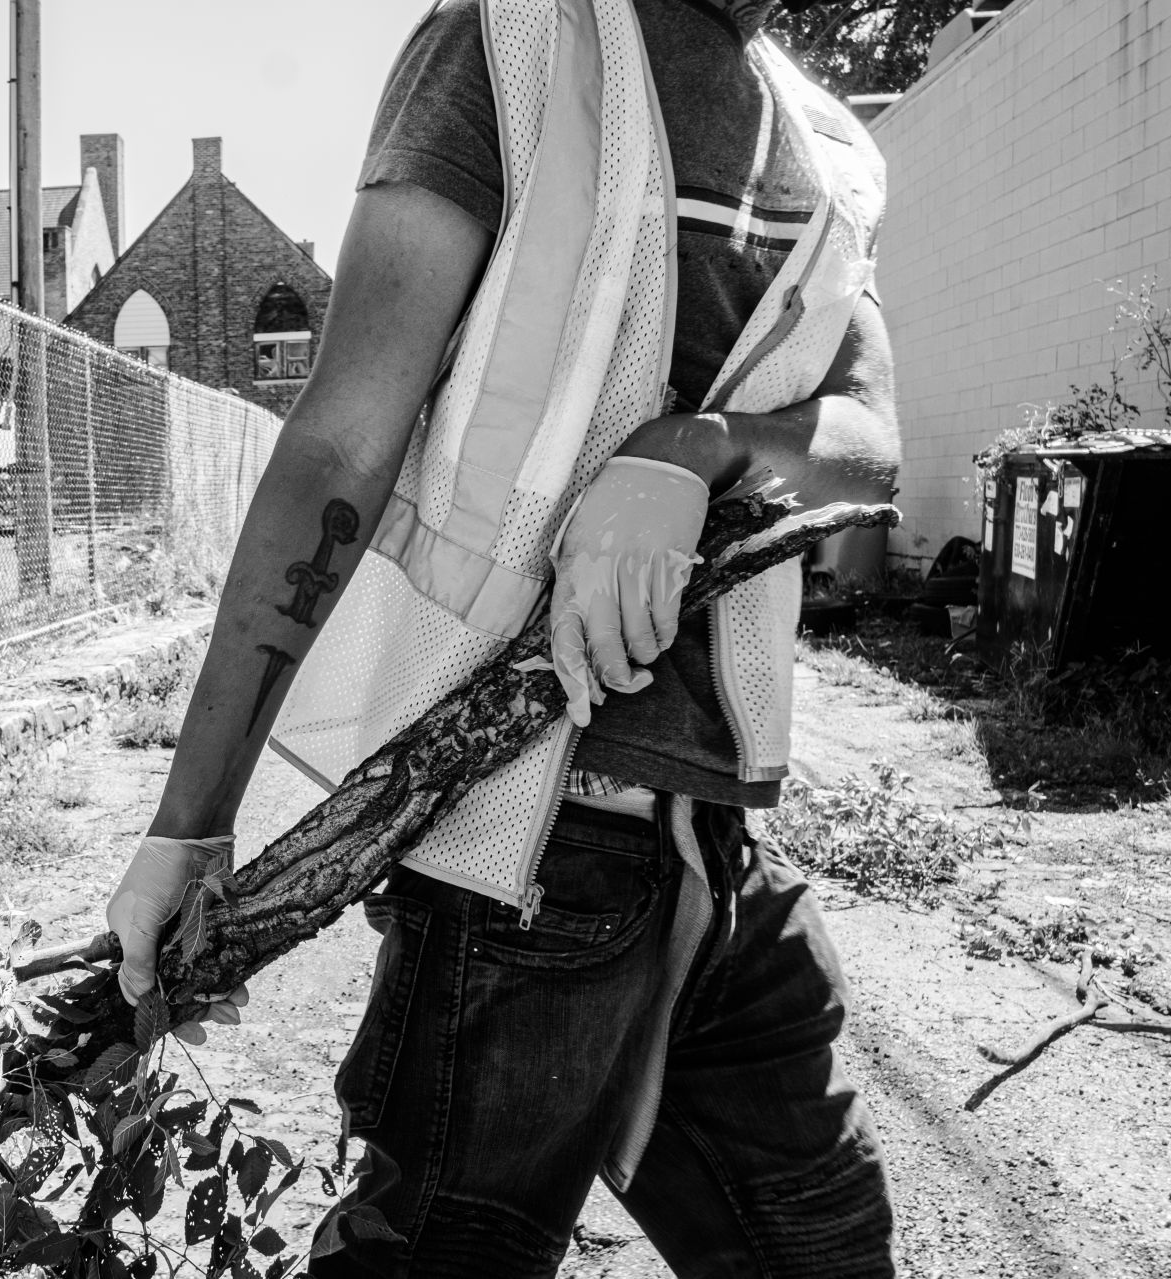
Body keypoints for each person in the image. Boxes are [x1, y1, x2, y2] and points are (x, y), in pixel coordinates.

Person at [106, 0, 900, 1273]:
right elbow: (339, 439)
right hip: (520, 850)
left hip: (712, 850)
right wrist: (189, 821)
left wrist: (695, 451)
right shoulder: (516, 39)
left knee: (828, 1251)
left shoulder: (826, 142)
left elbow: (867, 441)